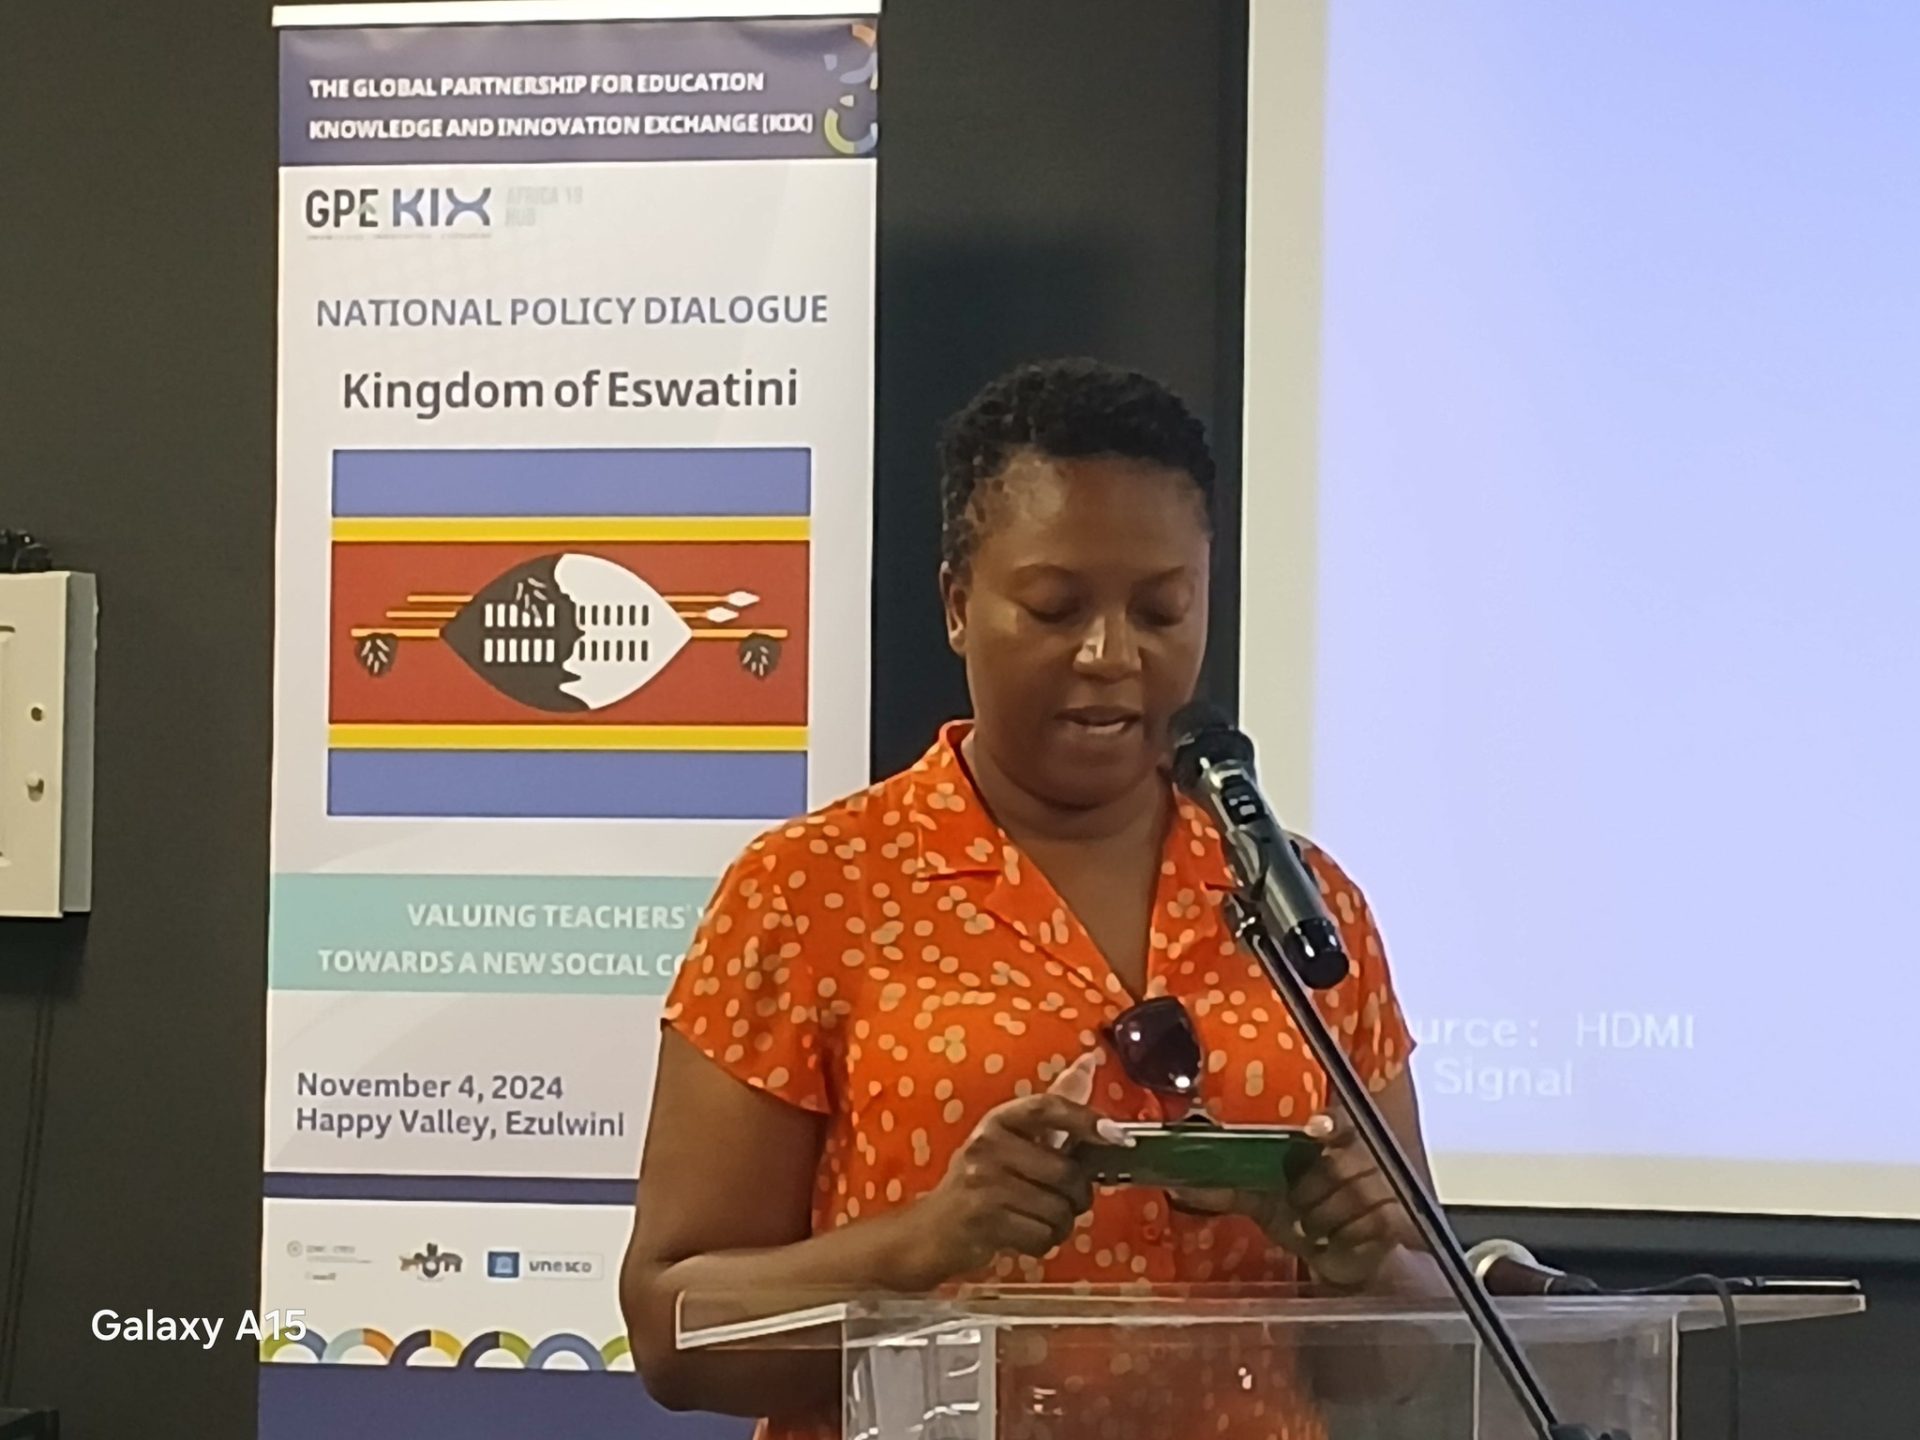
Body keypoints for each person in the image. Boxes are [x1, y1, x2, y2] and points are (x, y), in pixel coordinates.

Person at [621, 358, 1442, 1440]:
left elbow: (1407, 1353)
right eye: (1056, 609)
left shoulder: (1302, 902)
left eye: (1162, 610)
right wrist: (927, 1241)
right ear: (959, 606)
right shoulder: (811, 891)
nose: (1111, 655)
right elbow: (673, 1331)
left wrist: (1355, 1261)